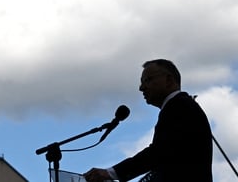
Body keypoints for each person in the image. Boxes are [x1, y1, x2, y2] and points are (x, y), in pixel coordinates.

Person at [84, 59, 213, 182]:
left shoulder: (179, 106)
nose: (141, 88)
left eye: (147, 80)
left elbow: (158, 153)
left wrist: (111, 173)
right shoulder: (179, 106)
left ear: (169, 80)